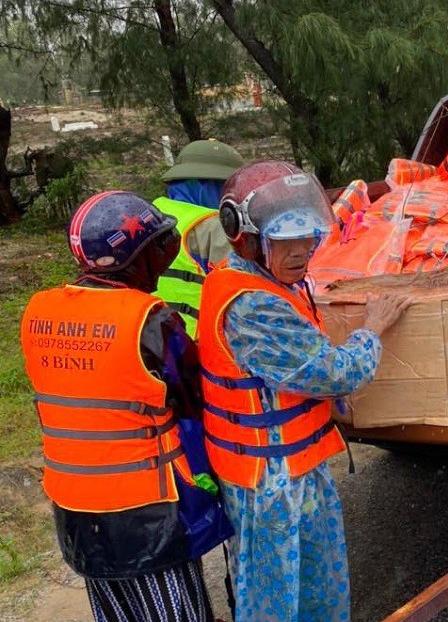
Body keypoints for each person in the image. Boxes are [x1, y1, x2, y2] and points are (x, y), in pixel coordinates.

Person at [196, 160, 410, 621]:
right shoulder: (251, 305)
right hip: (268, 483)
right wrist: (373, 329)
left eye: (308, 237)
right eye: (285, 241)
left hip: (295, 465)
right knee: (274, 604)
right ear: (249, 239)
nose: (301, 252)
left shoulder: (271, 281)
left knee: (320, 592)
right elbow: (334, 371)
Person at [20, 191, 232, 622]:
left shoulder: (38, 311)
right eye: (158, 248)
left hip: (76, 510)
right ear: (135, 256)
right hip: (147, 513)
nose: (164, 259)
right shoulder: (149, 319)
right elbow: (196, 397)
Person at [154, 139, 244, 337]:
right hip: (196, 342)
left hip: (151, 334)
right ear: (209, 185)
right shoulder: (213, 226)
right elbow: (243, 290)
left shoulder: (151, 214)